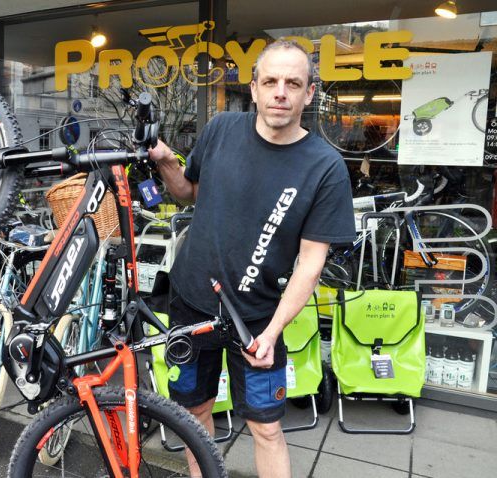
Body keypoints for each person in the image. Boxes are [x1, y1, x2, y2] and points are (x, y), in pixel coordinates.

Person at [149, 40, 356, 477]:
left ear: (309, 94)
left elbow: (311, 263)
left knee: (266, 428)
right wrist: (167, 161)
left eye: (293, 83)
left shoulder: (325, 167)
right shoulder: (221, 128)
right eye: (271, 81)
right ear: (255, 87)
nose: (281, 91)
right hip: (191, 306)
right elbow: (187, 193)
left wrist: (275, 330)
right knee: (194, 414)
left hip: (259, 319)